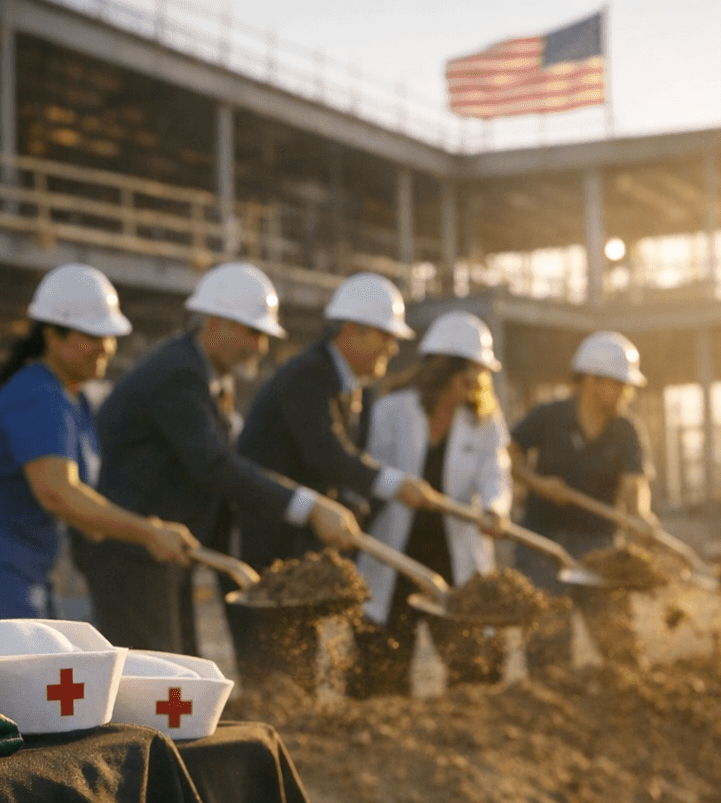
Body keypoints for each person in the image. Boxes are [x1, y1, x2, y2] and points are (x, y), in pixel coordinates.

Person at [77, 262, 361, 654]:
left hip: (161, 547)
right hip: (132, 551)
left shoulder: (201, 375)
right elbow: (212, 465)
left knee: (178, 669)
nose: (260, 346)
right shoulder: (178, 375)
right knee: (156, 674)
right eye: (252, 332)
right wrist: (308, 507)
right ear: (215, 322)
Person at [0, 263, 197, 622]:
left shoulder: (74, 399)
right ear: (53, 336)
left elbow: (82, 508)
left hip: (12, 556)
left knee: (44, 656)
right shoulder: (40, 396)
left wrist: (133, 529)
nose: (106, 347)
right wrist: (149, 531)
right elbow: (58, 493)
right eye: (92, 336)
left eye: (109, 335)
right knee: (18, 664)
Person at [233, 272, 440, 571]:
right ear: (354, 329)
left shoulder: (356, 385)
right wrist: (396, 484)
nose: (393, 348)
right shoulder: (308, 375)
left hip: (308, 535)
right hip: (273, 537)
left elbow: (344, 459)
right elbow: (324, 453)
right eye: (386, 336)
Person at [353, 311, 514, 696]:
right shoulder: (392, 410)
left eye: (480, 372)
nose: (475, 381)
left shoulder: (484, 421)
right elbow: (366, 472)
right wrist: (398, 487)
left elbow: (496, 472)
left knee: (474, 669)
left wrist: (495, 509)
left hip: (453, 555)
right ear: (442, 369)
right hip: (397, 556)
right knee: (383, 671)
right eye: (467, 371)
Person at [508, 330, 654, 667]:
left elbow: (635, 485)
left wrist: (640, 515)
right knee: (549, 645)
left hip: (599, 544)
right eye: (617, 384)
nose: (624, 393)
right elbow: (507, 456)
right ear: (590, 379)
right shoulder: (548, 417)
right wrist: (538, 483)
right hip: (542, 543)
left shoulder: (626, 430)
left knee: (620, 645)